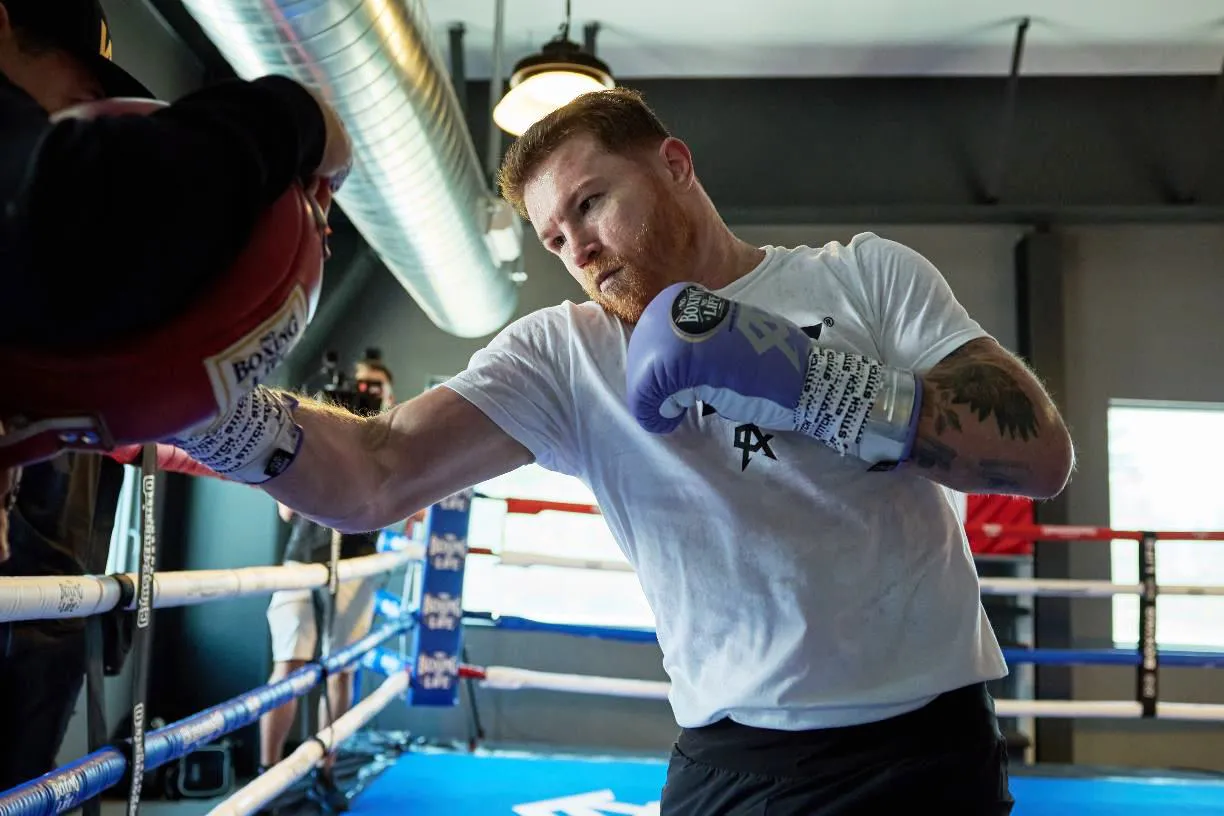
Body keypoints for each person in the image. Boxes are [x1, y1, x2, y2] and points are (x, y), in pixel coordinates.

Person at [165, 88, 1076, 814]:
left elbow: (1037, 454)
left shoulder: (865, 276)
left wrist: (812, 382)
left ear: (675, 165)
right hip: (736, 764)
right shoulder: (566, 355)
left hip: (926, 752)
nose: (582, 250)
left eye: (591, 203)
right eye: (556, 238)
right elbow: (377, 472)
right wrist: (199, 403)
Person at [0, 0, 351, 789]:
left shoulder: (47, 331)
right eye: (50, 100)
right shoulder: (49, 206)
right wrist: (305, 120)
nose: (62, 121)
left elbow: (135, 425)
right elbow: (94, 199)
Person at [258, 355, 399, 809]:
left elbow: (412, 511)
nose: (366, 396)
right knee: (289, 667)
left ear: (389, 396)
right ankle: (267, 775)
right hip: (304, 558)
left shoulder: (397, 436)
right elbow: (284, 507)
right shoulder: (320, 426)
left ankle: (326, 766)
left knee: (342, 672)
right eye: (361, 388)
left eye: (375, 390)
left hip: (357, 562)